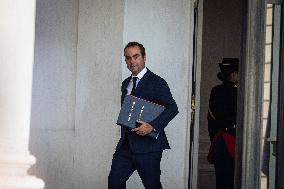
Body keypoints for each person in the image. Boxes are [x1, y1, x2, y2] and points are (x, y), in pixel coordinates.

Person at [108, 41, 179, 189]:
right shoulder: (125, 83)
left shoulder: (157, 82)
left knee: (152, 186)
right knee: (114, 182)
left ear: (144, 57)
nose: (132, 61)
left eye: (136, 56)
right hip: (126, 145)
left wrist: (152, 126)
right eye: (128, 58)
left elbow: (172, 108)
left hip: (148, 147)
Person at [207, 58, 239, 189]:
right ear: (233, 74)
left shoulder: (216, 90)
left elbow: (211, 121)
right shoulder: (241, 92)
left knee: (223, 181)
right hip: (230, 140)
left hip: (220, 139)